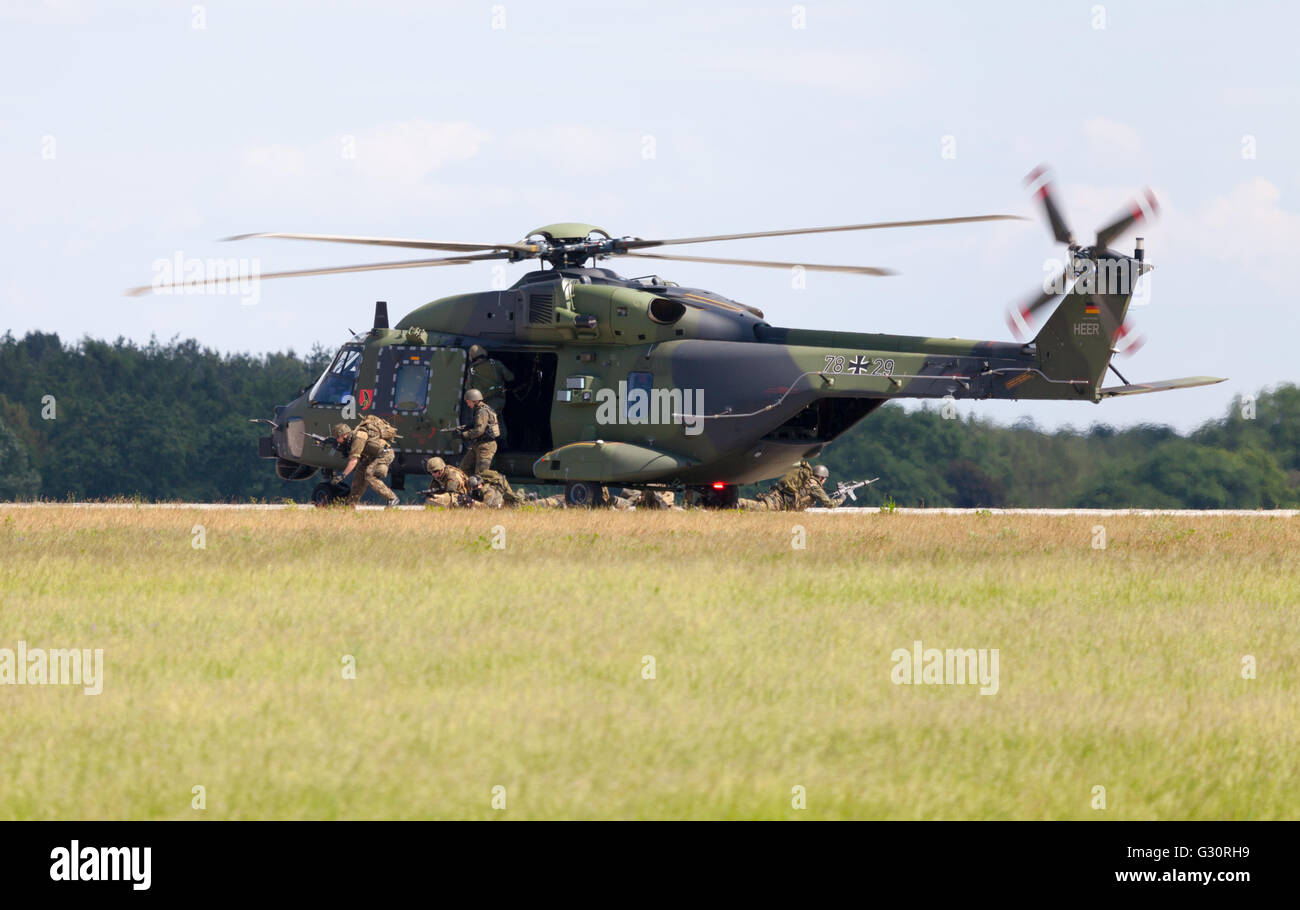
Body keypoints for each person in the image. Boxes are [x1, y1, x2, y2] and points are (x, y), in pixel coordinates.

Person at [334, 420, 399, 507]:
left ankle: (392, 498)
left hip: (384, 454)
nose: (337, 440)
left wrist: (342, 475)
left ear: (344, 435)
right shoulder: (351, 439)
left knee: (370, 475)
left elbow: (353, 461)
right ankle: (350, 506)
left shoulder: (358, 437)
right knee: (359, 476)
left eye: (338, 437)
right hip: (372, 457)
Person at [738, 461, 840, 511]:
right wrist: (841, 499)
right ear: (821, 478)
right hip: (779, 500)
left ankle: (735, 503)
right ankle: (736, 502)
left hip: (778, 496)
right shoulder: (815, 487)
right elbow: (830, 504)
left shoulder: (806, 480)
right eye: (825, 479)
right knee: (761, 508)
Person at [458, 388, 500, 475]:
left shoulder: (482, 412)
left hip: (486, 446)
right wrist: (464, 428)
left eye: (468, 401)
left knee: (481, 474)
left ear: (474, 401)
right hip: (478, 444)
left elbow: (479, 431)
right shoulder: (480, 410)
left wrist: (464, 435)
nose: (467, 404)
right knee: (463, 469)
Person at [467, 344, 514, 417]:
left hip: (484, 405)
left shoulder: (471, 371)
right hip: (500, 400)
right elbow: (510, 377)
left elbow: (469, 390)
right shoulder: (495, 363)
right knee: (497, 421)